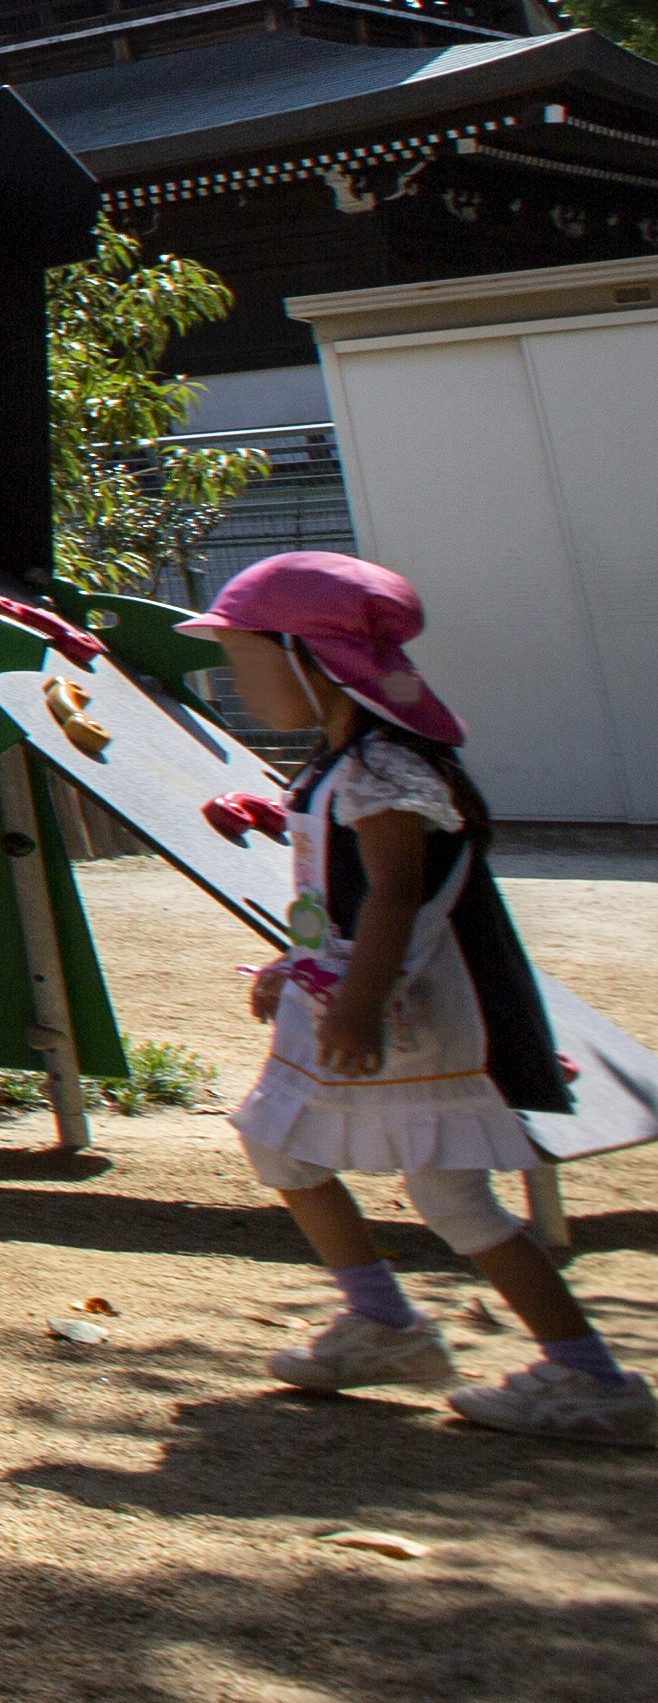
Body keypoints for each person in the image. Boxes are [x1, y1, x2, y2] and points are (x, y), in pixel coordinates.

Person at [188, 550, 645, 1446]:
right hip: (348, 1001)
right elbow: (349, 894)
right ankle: (388, 1328)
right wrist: (302, 967)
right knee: (281, 1148)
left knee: (452, 1200)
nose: (241, 686)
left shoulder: (384, 770)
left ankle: (588, 1378)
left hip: (403, 1020)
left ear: (306, 655)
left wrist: (356, 1004)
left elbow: (400, 892)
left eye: (246, 663)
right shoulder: (340, 765)